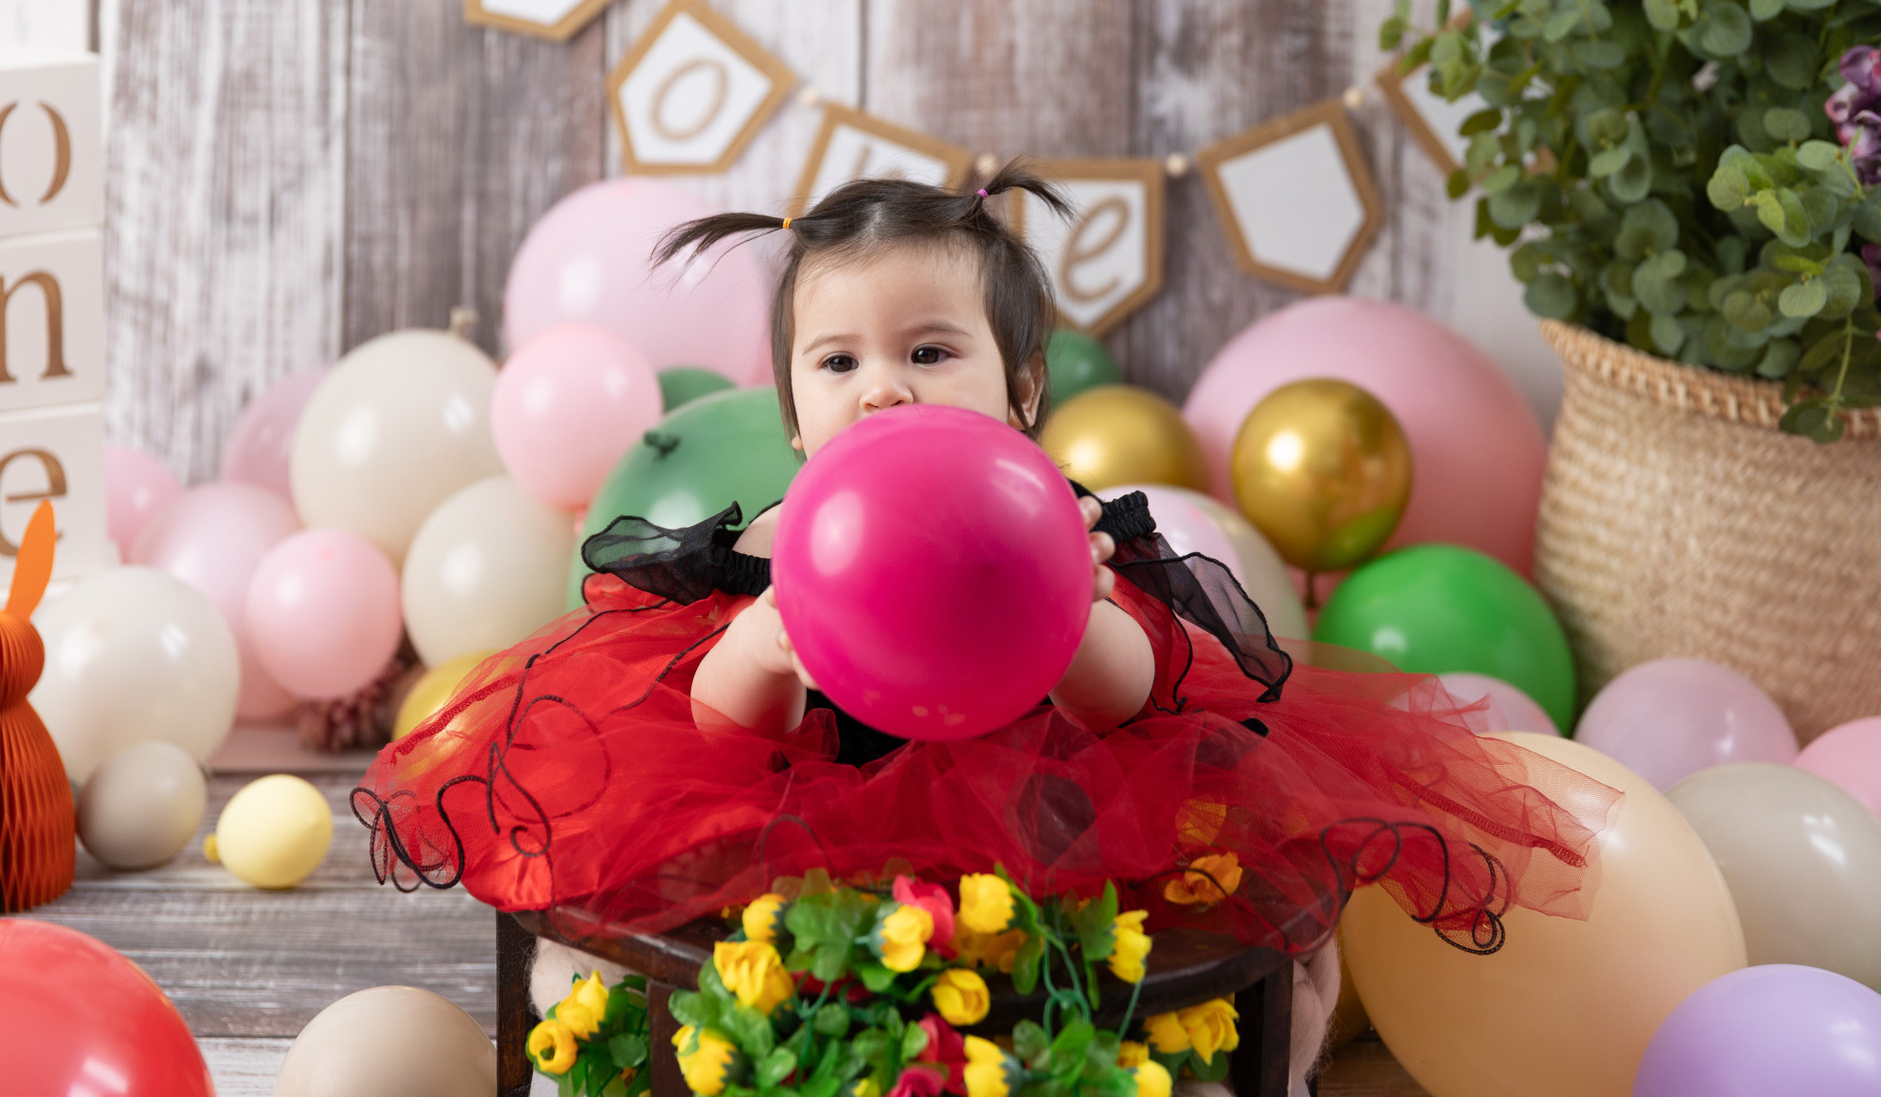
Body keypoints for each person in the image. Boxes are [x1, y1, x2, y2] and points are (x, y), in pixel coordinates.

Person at [354, 165, 1615, 973]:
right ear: (792, 412)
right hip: (821, 818)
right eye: (837, 362)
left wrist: (1073, 616)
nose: (882, 385)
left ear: (1021, 391)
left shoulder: (1055, 522)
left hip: (1047, 814)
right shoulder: (780, 541)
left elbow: (1131, 698)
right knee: (717, 939)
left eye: (929, 351)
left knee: (1224, 940)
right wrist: (763, 647)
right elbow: (722, 730)